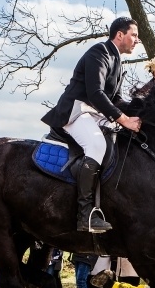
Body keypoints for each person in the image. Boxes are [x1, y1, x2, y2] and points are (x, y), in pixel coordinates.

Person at [41, 17, 142, 232]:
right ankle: (84, 215)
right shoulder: (100, 53)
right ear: (120, 35)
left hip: (93, 114)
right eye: (134, 35)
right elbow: (95, 94)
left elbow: (115, 99)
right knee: (97, 145)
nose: (137, 40)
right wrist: (124, 120)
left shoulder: (117, 60)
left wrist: (141, 109)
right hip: (75, 112)